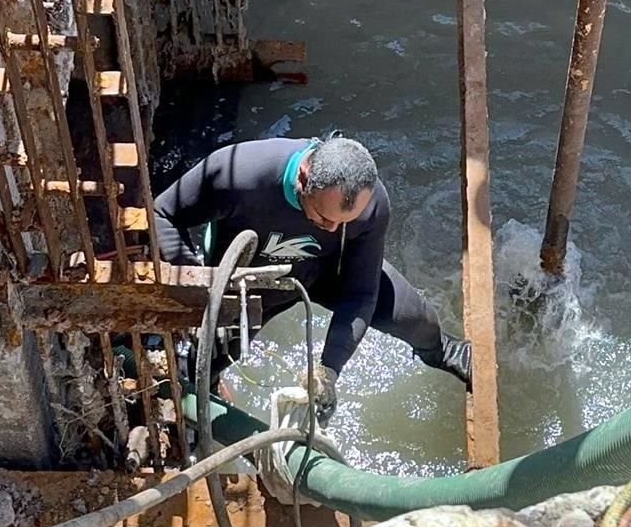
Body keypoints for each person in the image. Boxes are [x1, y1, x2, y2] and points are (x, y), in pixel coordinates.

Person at [153, 134, 473, 423]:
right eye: (323, 217)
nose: (333, 228)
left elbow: (361, 293)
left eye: (343, 222)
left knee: (415, 318)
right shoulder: (240, 173)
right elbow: (162, 214)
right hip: (247, 282)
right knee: (209, 357)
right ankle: (205, 396)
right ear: (304, 178)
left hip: (324, 269)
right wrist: (201, 289)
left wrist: (329, 369)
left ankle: (444, 352)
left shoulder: (372, 204)